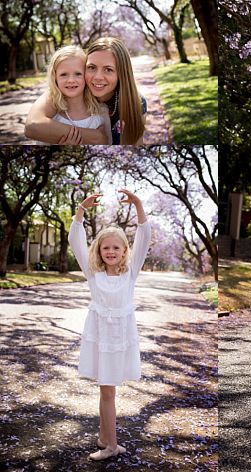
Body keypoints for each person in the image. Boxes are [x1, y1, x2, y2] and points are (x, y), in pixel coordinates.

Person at [68, 189, 152, 460]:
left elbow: (144, 235)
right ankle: (107, 440)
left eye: (116, 247)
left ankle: (110, 443)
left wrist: (138, 204)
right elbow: (75, 239)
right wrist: (81, 209)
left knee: (108, 391)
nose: (111, 251)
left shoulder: (130, 273)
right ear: (99, 251)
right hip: (99, 337)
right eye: (106, 247)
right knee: (106, 390)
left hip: (120, 340)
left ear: (125, 250)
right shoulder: (93, 273)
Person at [25, 37, 147, 145]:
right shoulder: (69, 91)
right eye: (91, 67)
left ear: (122, 73)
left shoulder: (135, 101)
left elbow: (135, 145)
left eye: (108, 69)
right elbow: (33, 126)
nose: (98, 77)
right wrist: (95, 137)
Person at [33, 45, 111, 144]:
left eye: (78, 74)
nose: (71, 80)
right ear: (55, 78)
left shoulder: (102, 113)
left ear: (86, 75)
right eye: (63, 74)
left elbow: (109, 143)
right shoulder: (50, 118)